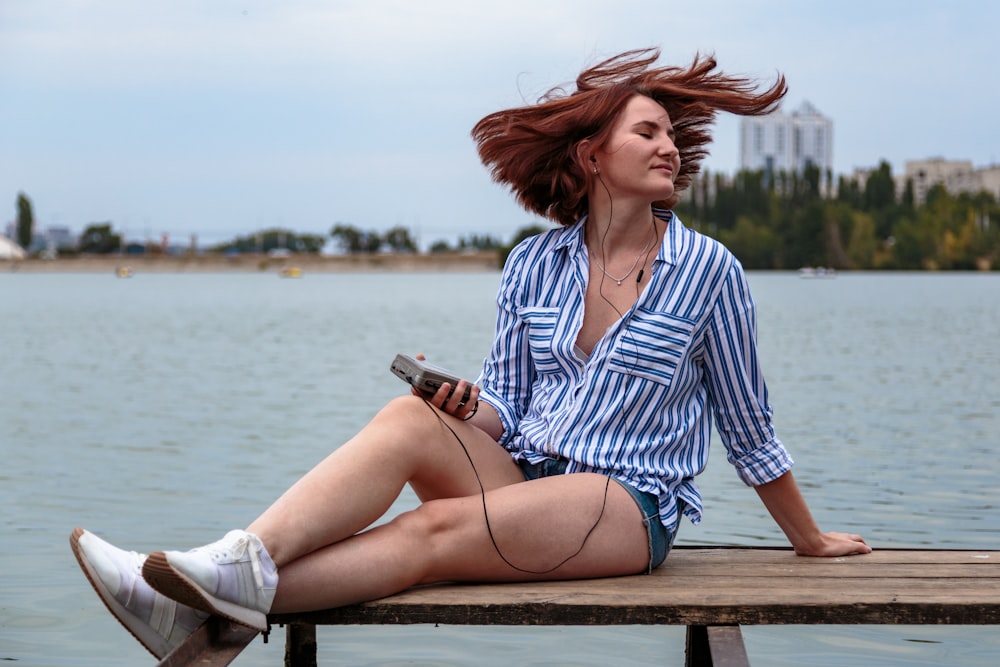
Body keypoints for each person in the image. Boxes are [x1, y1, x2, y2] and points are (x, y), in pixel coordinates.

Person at [70, 48, 871, 659]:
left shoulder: (710, 272)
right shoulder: (531, 264)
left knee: (435, 531)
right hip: (523, 475)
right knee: (405, 417)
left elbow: (748, 426)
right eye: (648, 132)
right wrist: (463, 403)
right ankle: (225, 568)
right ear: (593, 156)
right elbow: (509, 407)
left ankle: (174, 588)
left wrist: (809, 539)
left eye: (670, 135)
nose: (671, 149)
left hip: (626, 502)